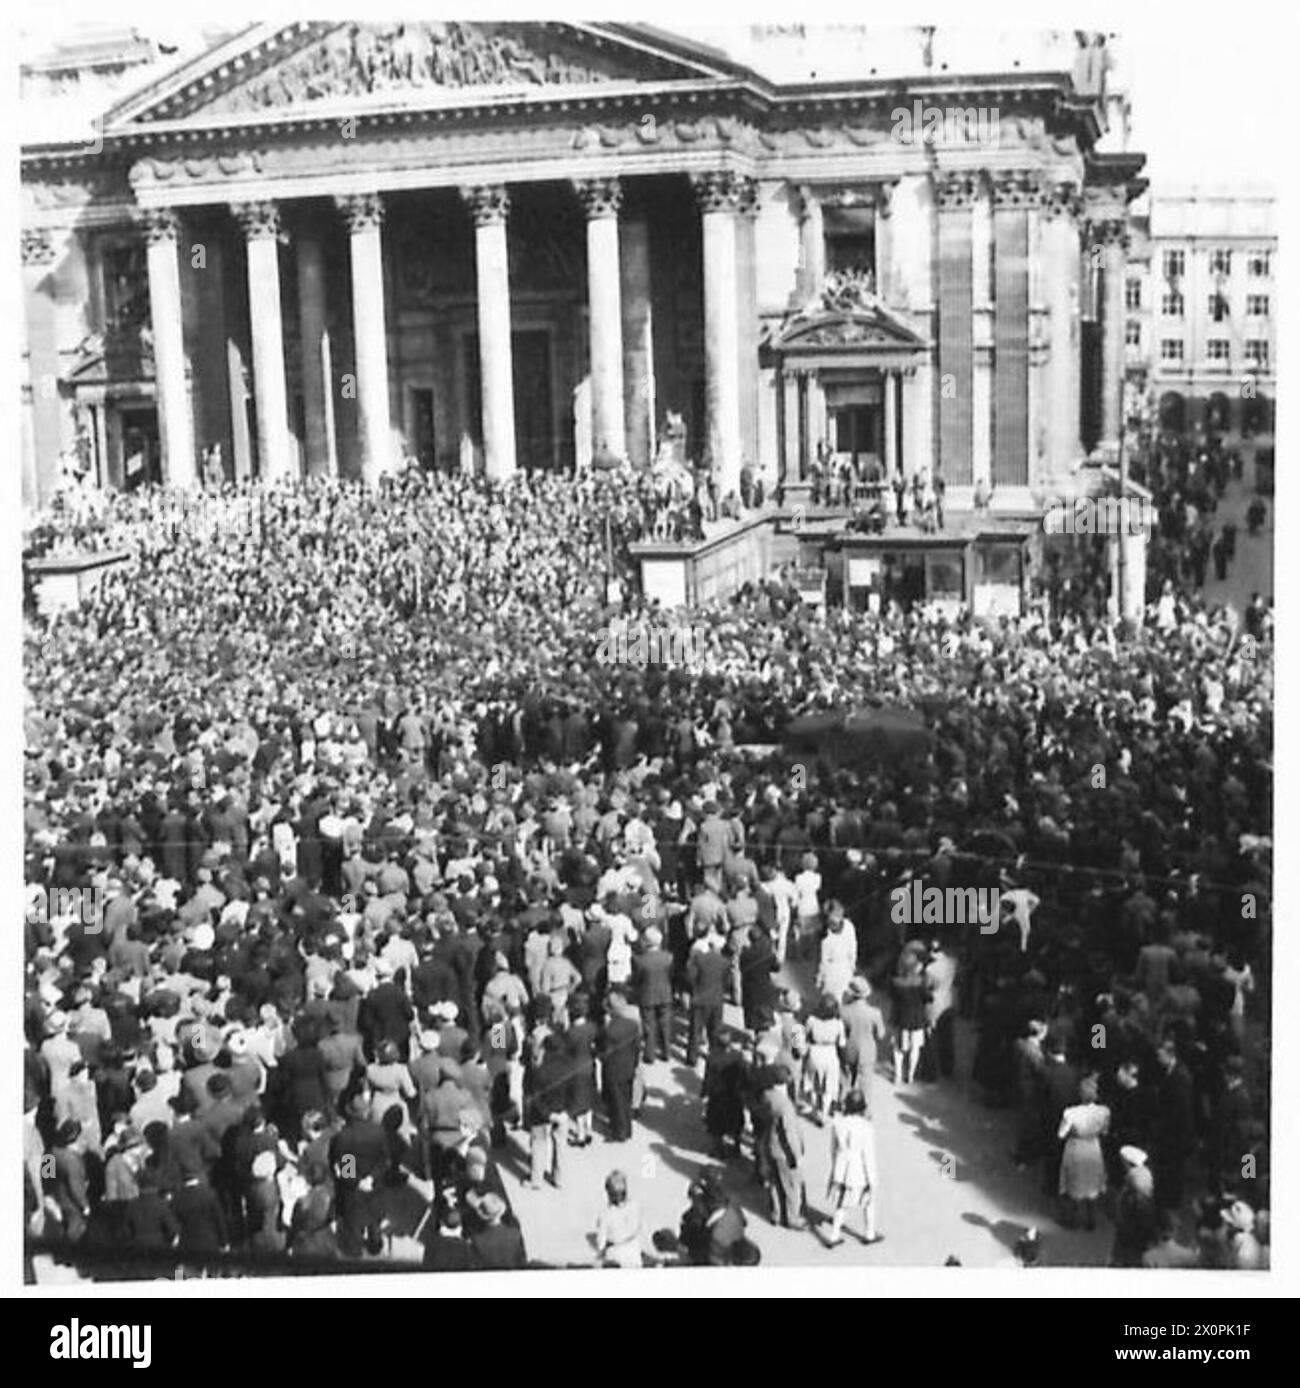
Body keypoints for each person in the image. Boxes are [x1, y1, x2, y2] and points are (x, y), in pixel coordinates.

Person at [825, 1088, 882, 1246]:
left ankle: (834, 1235)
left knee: (842, 1203)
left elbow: (833, 1149)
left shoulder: (838, 1124)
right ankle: (869, 1234)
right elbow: (868, 1156)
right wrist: (872, 1179)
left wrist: (836, 1168)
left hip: (841, 1168)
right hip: (859, 1171)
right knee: (869, 1201)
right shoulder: (866, 1127)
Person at [1057, 1075, 1110, 1230]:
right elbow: (1105, 1131)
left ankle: (1073, 1221)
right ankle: (1091, 1221)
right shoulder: (1104, 1111)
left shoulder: (1071, 1113)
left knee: (1074, 1184)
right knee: (1092, 1184)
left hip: (1076, 1148)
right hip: (1093, 1148)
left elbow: (1061, 1134)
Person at [889, 953, 930, 1086]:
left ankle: (897, 1075)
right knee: (915, 1049)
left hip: (901, 1019)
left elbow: (892, 997)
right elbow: (928, 998)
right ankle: (910, 1075)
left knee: (898, 1048)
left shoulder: (896, 982)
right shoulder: (920, 983)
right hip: (917, 1020)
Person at [804, 994, 846, 1121]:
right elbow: (842, 1043)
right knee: (828, 1086)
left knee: (813, 1083)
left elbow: (803, 1035)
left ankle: (815, 1110)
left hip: (814, 1052)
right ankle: (824, 1112)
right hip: (830, 1053)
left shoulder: (811, 1020)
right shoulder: (838, 1024)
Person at [594, 1169, 644, 1269]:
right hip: (633, 1250)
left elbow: (601, 1241)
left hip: (614, 1252)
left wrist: (601, 1251)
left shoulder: (605, 1214)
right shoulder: (634, 1206)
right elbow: (638, 1226)